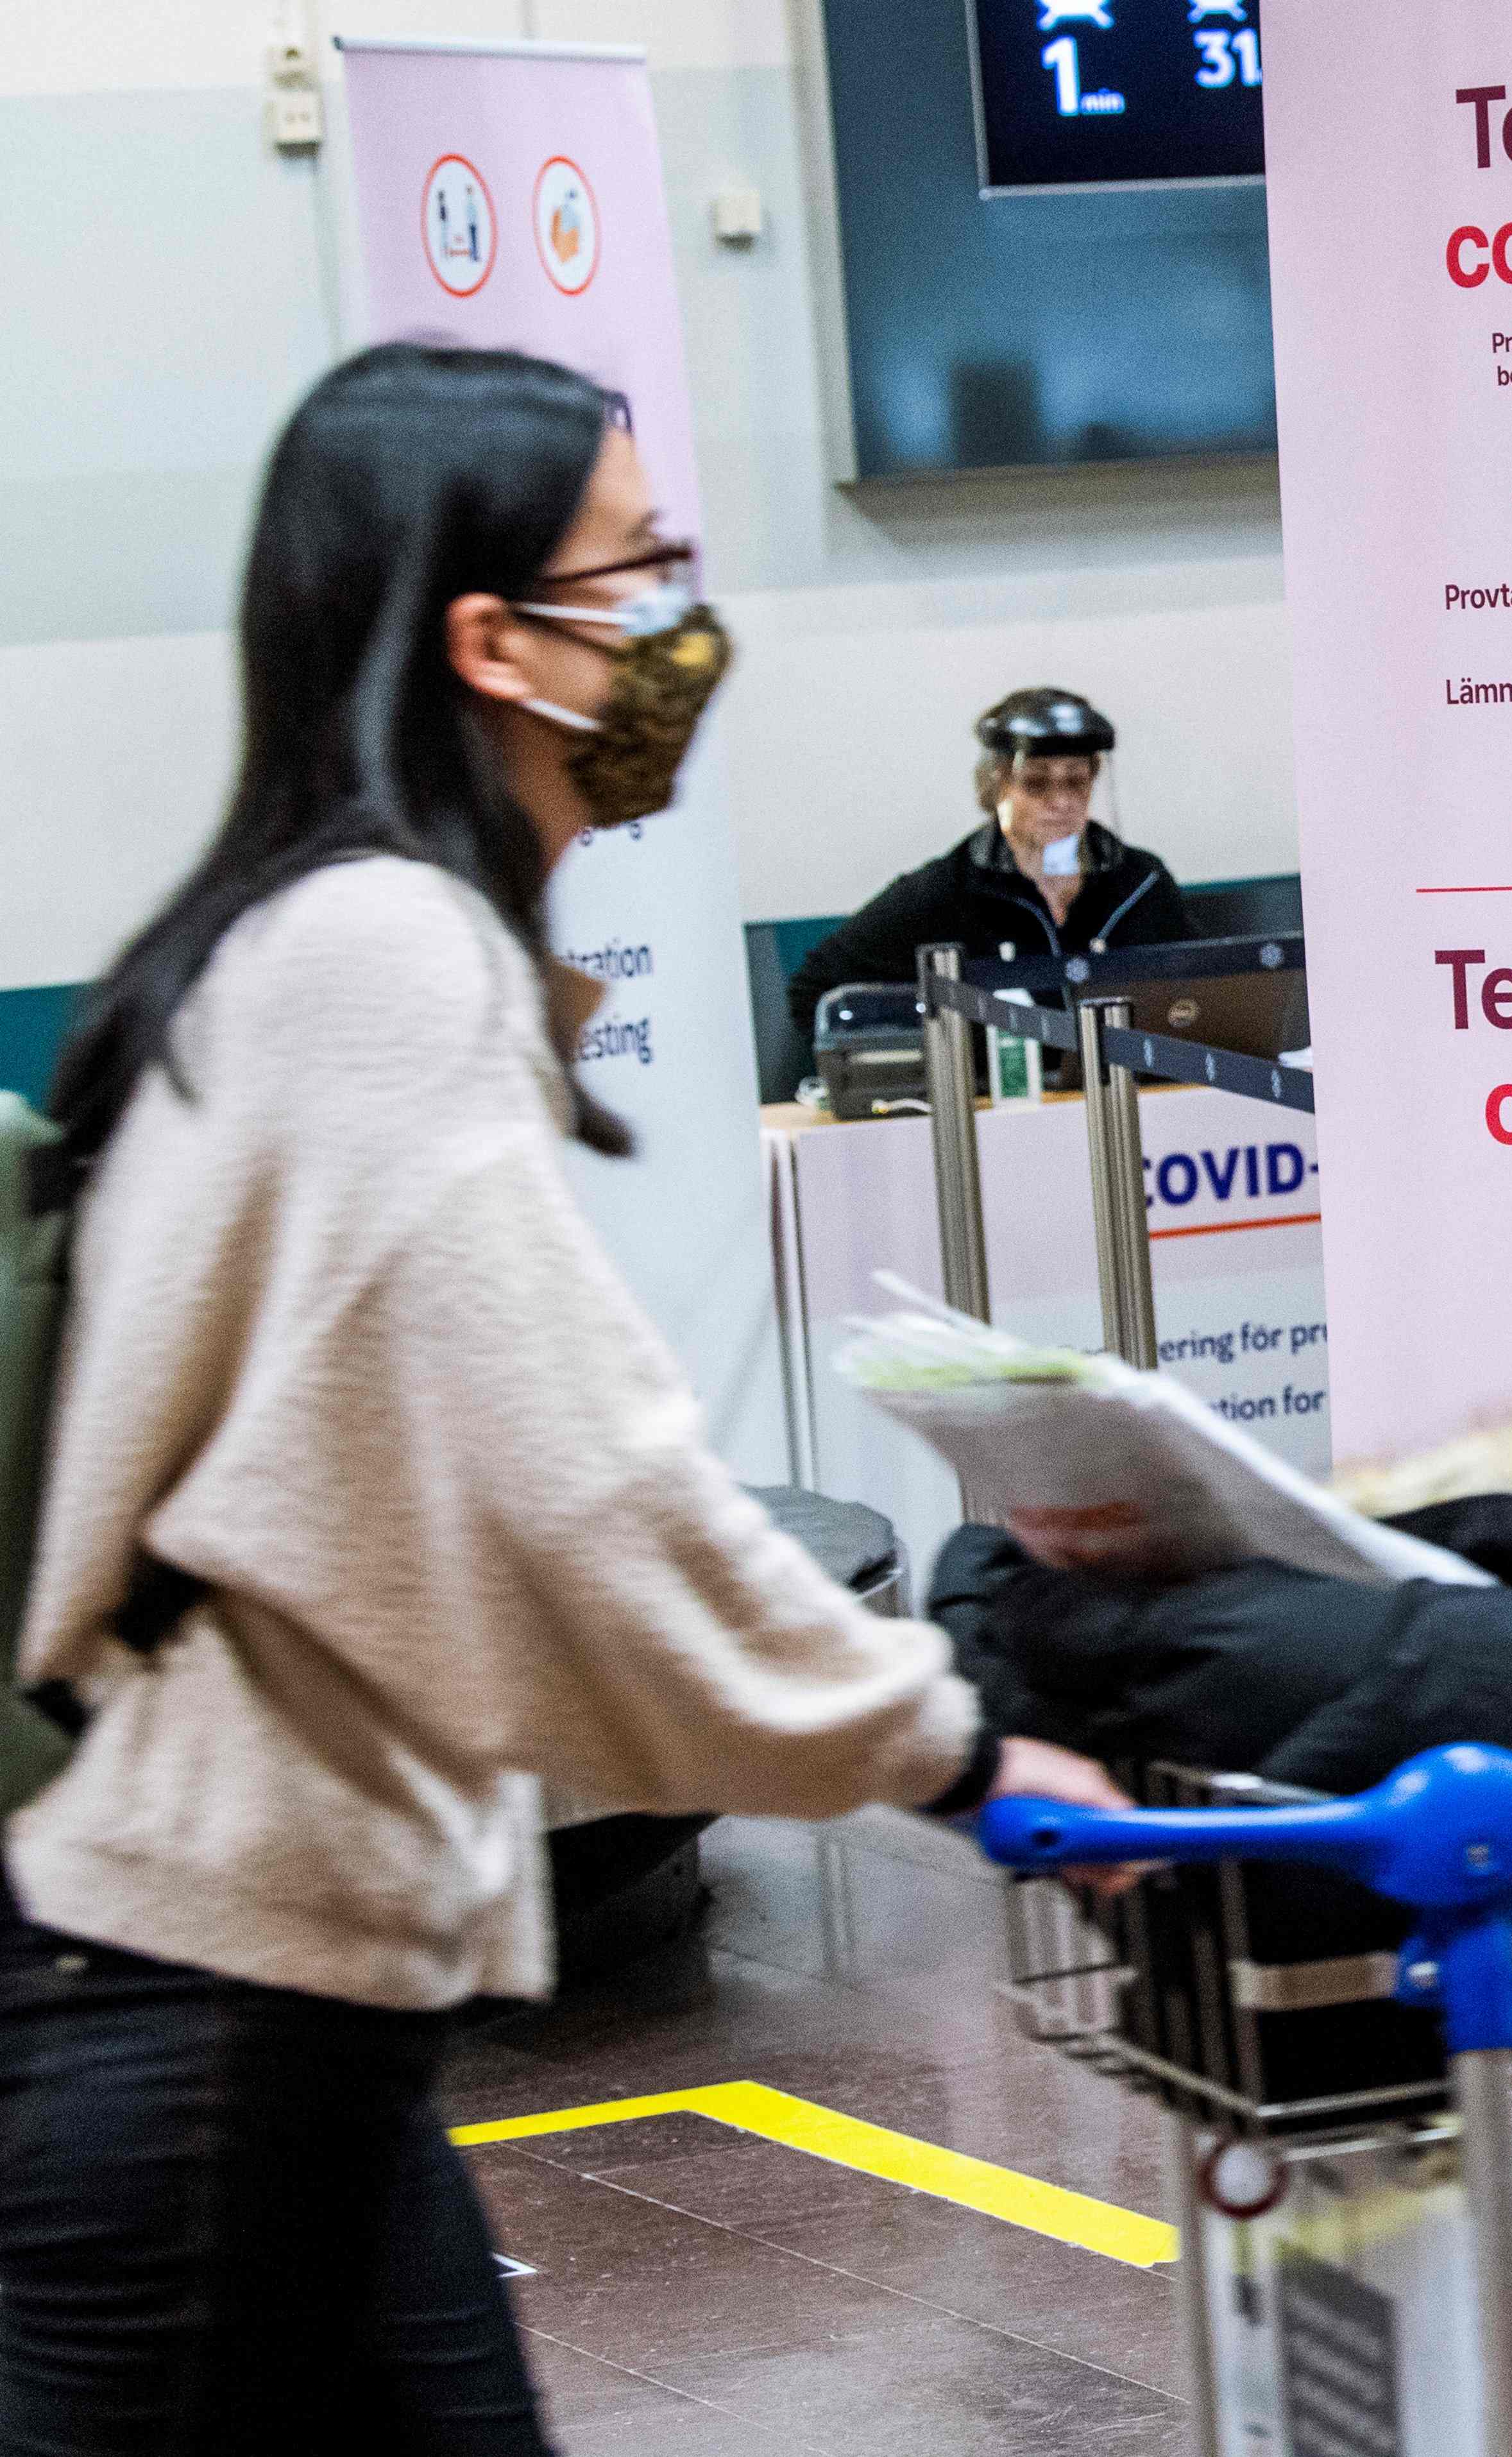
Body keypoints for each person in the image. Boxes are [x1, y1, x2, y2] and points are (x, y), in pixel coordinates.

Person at [4, 341, 1126, 2452]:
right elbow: (586, 1496)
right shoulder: (381, 954)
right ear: (492, 639)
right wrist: (958, 1738)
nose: (684, 630)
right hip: (188, 2003)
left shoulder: (342, 935)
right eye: (646, 571)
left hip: (303, 1995)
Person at [779, 685, 1198, 1077]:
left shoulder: (1139, 883)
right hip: (995, 1113)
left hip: (1134, 1102)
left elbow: (1208, 995)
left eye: (1076, 780)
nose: (1062, 802)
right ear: (995, 784)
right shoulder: (947, 892)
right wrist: (949, 1055)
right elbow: (814, 992)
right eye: (1036, 783)